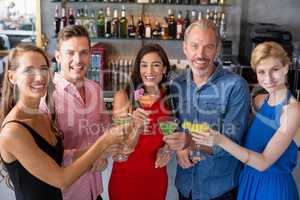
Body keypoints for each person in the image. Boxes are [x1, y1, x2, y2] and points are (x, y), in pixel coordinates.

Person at [0, 43, 126, 200]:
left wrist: (104, 150)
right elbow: (62, 179)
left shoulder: (42, 115)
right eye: (29, 70)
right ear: (12, 77)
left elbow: (58, 157)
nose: (39, 77)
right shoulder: (13, 131)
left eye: (44, 69)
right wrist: (103, 142)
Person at [192, 41, 300, 200]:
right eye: (261, 72)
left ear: (285, 68)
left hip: (272, 190)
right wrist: (200, 147)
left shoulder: (293, 110)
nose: (268, 78)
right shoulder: (259, 101)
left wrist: (219, 140)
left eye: (275, 70)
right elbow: (234, 130)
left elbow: (263, 162)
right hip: (247, 182)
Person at [164, 19, 251, 200]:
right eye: (194, 46)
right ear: (185, 48)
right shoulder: (176, 85)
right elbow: (175, 126)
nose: (200, 54)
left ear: (217, 50)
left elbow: (231, 142)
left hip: (219, 190)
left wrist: (188, 143)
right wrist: (179, 148)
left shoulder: (235, 86)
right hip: (185, 187)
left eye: (208, 47)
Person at [40, 25, 110, 200]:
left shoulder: (95, 89)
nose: (78, 60)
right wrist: (92, 153)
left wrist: (102, 155)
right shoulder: (45, 96)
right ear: (58, 56)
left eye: (84, 52)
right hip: (66, 194)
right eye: (70, 53)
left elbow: (104, 130)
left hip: (94, 190)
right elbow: (44, 155)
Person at [108, 43, 173, 200]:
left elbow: (170, 136)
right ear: (138, 69)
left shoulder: (171, 99)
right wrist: (136, 126)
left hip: (156, 178)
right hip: (125, 179)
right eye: (144, 65)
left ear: (164, 69)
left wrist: (168, 149)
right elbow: (122, 148)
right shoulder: (124, 96)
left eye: (156, 65)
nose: (149, 71)